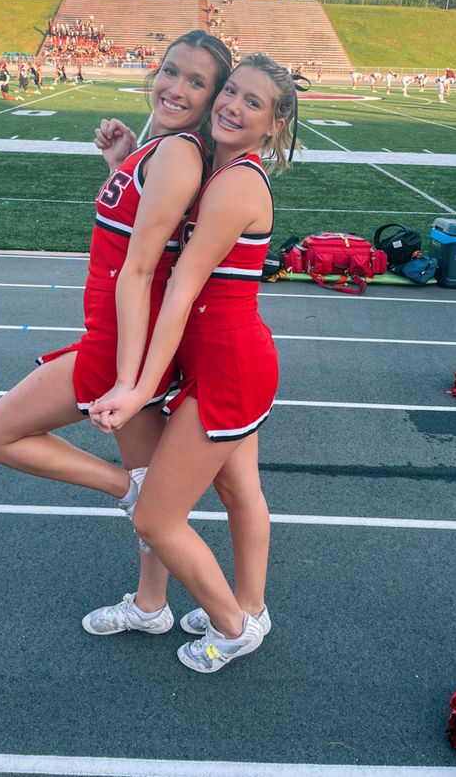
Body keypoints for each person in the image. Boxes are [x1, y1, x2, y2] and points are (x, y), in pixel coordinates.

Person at [0, 32, 233, 635]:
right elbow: (151, 233)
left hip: (118, 347)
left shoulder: (178, 154)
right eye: (171, 71)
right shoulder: (164, 150)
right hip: (120, 343)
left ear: (215, 98)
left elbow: (143, 268)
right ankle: (150, 605)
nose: (176, 87)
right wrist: (123, 163)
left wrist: (126, 377)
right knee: (147, 489)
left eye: (197, 82)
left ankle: (132, 499)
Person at [89, 54, 295, 673]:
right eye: (230, 91)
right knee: (239, 490)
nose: (231, 106)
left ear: (275, 125)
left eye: (251, 103)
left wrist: (135, 389)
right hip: (230, 359)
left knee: (155, 516)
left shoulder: (236, 183)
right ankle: (251, 607)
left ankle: (235, 630)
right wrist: (129, 155)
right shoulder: (224, 171)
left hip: (229, 368)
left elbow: (179, 288)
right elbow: (161, 215)